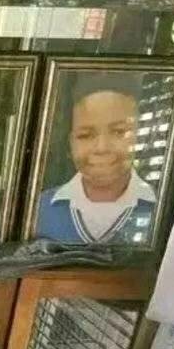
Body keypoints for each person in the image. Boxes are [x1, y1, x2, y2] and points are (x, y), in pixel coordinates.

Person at [36, 74, 155, 244]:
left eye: (119, 132)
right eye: (85, 135)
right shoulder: (38, 211)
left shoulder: (165, 210)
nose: (102, 148)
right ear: (70, 142)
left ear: (139, 135)